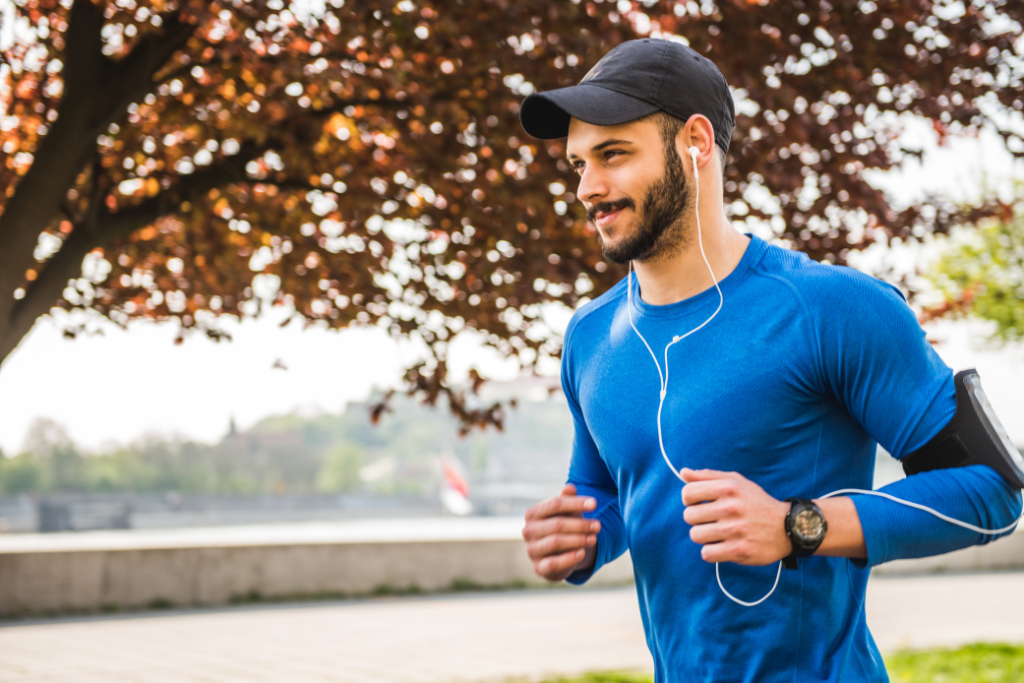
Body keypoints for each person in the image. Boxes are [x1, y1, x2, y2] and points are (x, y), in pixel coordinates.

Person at [517, 38, 1022, 682]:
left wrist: (798, 525)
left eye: (613, 155)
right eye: (578, 164)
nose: (588, 186)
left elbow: (991, 491)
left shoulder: (831, 310)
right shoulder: (589, 337)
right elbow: (608, 493)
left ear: (695, 143)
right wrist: (580, 536)